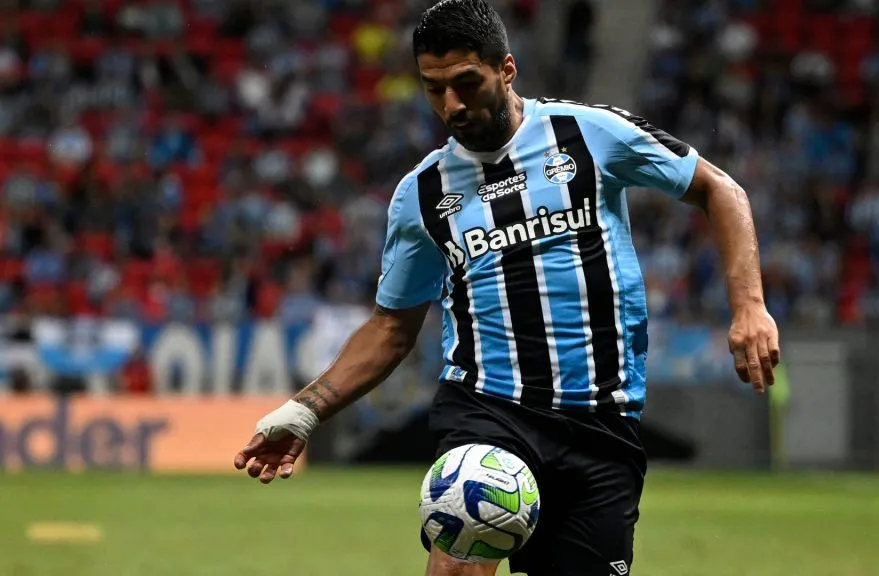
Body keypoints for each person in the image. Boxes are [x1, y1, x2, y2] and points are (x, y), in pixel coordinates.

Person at [232, 1, 780, 574]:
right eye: (434, 88)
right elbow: (392, 328)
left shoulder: (587, 133)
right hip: (490, 408)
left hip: (601, 422)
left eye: (466, 83)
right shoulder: (421, 195)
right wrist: (305, 410)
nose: (452, 105)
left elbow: (720, 190)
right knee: (461, 554)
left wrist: (749, 307)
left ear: (507, 69)